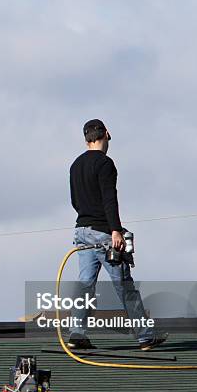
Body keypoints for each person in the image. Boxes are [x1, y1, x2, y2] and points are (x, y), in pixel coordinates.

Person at [68, 119, 167, 351]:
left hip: (82, 231)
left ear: (86, 138)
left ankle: (77, 334)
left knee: (85, 285)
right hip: (103, 233)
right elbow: (109, 199)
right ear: (107, 134)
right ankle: (145, 336)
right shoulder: (105, 164)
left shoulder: (75, 165)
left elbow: (74, 200)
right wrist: (115, 230)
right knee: (124, 285)